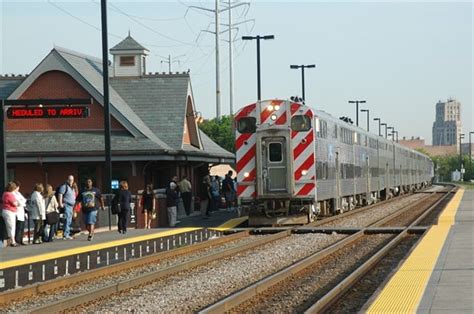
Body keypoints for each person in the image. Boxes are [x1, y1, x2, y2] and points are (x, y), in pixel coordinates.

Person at [57, 175, 76, 240]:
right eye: (70, 180)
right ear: (67, 180)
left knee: (69, 220)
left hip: (71, 206)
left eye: (72, 180)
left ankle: (67, 233)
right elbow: (60, 194)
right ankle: (65, 234)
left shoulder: (72, 188)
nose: (71, 181)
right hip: (67, 205)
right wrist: (60, 203)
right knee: (67, 220)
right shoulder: (64, 187)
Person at [2, 181, 19, 247]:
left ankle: (10, 241)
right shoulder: (10, 194)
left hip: (5, 211)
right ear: (12, 188)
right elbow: (15, 203)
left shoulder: (4, 193)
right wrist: (18, 203)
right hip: (10, 212)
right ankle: (13, 241)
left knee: (8, 227)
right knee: (12, 227)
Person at [13, 181, 27, 245]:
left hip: (22, 212)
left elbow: (24, 200)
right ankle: (17, 240)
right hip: (17, 212)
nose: (18, 188)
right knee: (18, 227)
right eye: (17, 187)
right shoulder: (13, 193)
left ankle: (21, 240)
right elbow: (19, 202)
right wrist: (21, 202)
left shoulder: (18, 193)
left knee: (22, 227)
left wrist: (21, 202)